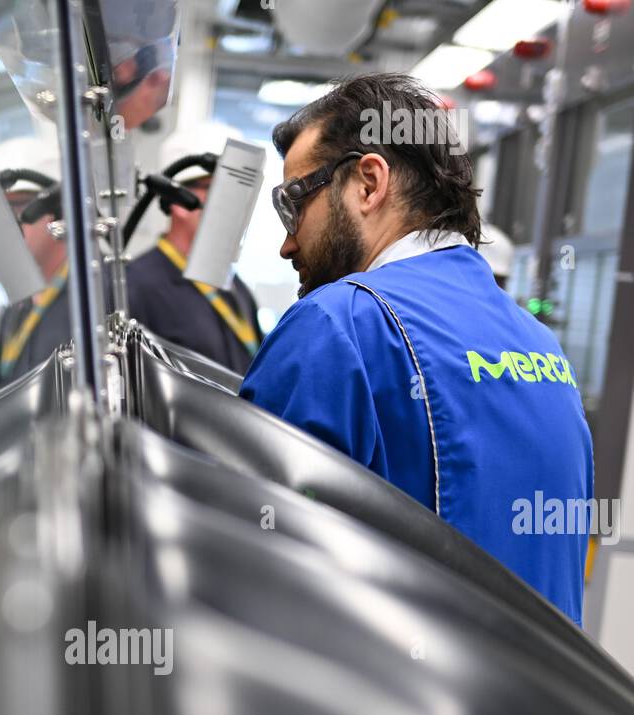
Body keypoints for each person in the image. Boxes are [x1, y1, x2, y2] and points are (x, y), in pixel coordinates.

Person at [240, 74, 594, 627]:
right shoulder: (541, 346)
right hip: (543, 710)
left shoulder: (338, 325)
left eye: (294, 205)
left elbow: (245, 579)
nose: (288, 242)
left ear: (368, 182)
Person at [126, 129, 263, 376]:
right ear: (181, 202)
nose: (239, 206)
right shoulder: (135, 286)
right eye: (228, 191)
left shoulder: (234, 288)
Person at [0, 165, 69, 390]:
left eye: (18, 206)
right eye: (0, 211)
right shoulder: (12, 313)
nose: (9, 223)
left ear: (58, 207)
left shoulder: (98, 291)